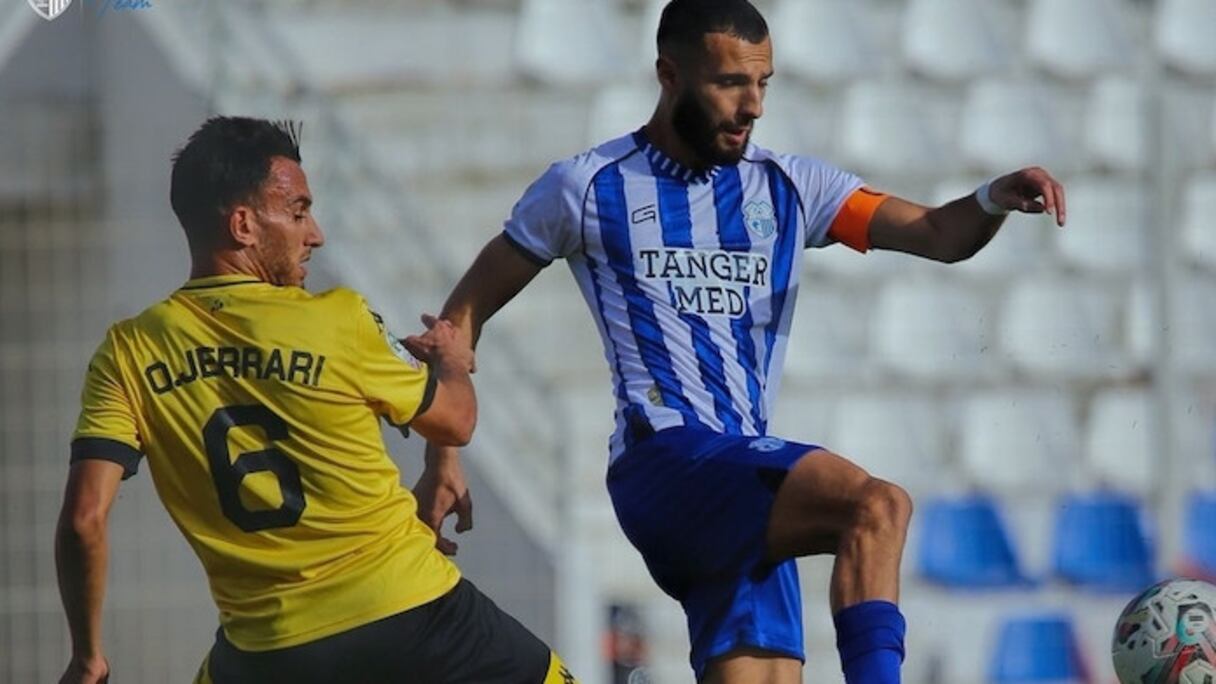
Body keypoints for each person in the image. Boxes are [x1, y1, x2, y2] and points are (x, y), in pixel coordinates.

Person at [419, 1, 1068, 682]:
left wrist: (991, 199)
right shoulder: (586, 186)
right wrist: (444, 455)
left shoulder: (791, 186)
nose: (752, 105)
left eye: (762, 83)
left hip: (742, 483)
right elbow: (459, 320)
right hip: (665, 463)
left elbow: (940, 234)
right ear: (669, 74)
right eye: (730, 83)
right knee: (877, 505)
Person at [55, 116, 577, 684]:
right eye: (299, 212)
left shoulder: (128, 351)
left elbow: (84, 519)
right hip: (409, 613)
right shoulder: (338, 318)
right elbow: (456, 419)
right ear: (244, 225)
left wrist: (88, 655)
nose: (316, 234)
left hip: (265, 652)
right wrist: (449, 359)